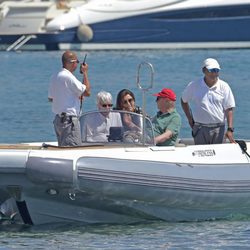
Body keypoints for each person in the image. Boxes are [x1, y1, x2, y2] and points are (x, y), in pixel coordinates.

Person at [181, 58, 235, 145]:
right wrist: (190, 119)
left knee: (218, 157)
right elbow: (184, 101)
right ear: (204, 70)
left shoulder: (224, 86)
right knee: (201, 157)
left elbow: (229, 108)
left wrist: (230, 129)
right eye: (211, 70)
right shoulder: (194, 85)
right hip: (199, 128)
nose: (214, 73)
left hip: (219, 129)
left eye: (216, 70)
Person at [48, 50, 91, 146]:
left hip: (59, 120)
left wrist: (74, 96)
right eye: (77, 62)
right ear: (72, 63)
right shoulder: (69, 77)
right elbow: (87, 92)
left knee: (63, 149)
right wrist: (85, 73)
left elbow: (51, 98)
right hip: (69, 121)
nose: (78, 64)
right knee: (72, 149)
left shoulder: (54, 76)